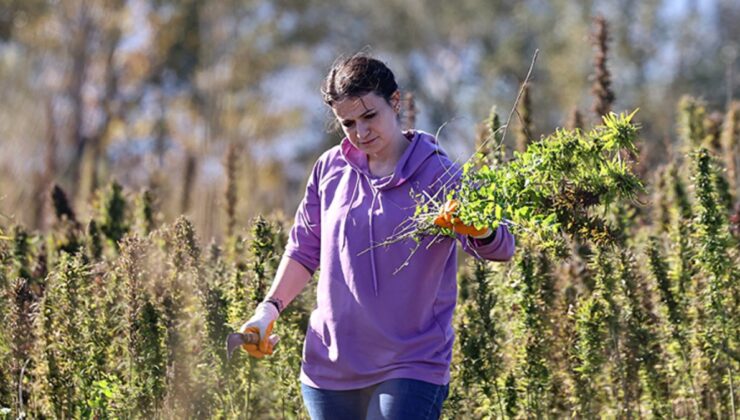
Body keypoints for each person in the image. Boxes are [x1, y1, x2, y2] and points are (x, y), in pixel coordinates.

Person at [239, 54, 515, 420]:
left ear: (395, 102)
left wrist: (480, 228)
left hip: (411, 366)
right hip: (329, 371)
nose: (361, 132)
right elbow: (304, 251)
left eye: (370, 116)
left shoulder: (439, 173)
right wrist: (266, 311)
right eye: (348, 123)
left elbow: (503, 246)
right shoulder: (329, 169)